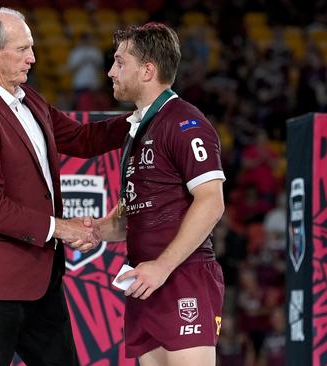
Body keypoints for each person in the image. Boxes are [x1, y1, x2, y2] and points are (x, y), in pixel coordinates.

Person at [0, 7, 129, 366]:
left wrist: (143, 118)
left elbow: (83, 138)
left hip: (42, 281)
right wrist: (61, 227)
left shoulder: (29, 99)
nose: (33, 58)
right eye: (23, 49)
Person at [94, 22, 226, 365]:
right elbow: (132, 217)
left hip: (181, 275)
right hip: (146, 280)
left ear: (148, 70)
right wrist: (88, 230)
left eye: (120, 62)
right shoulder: (138, 129)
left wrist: (163, 267)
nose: (111, 72)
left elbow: (211, 201)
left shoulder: (185, 122)